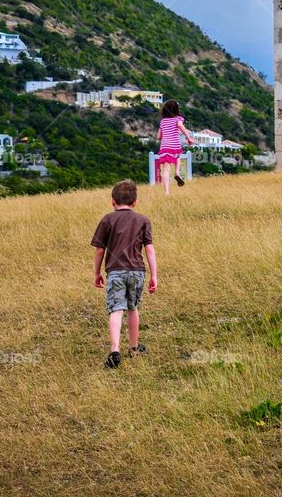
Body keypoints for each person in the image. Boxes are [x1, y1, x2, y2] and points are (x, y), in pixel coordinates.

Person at [91, 180, 158, 369]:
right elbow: (150, 250)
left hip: (115, 272)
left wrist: (97, 273)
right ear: (135, 202)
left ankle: (114, 350)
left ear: (112, 201)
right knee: (132, 308)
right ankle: (134, 347)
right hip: (137, 271)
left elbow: (99, 251)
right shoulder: (143, 220)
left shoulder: (107, 220)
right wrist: (154, 275)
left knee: (116, 309)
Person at [156, 99, 194, 195]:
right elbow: (181, 127)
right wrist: (188, 138)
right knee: (178, 156)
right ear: (176, 109)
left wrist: (164, 137)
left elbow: (158, 137)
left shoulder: (163, 121)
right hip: (175, 145)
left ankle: (166, 192)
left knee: (166, 169)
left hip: (164, 147)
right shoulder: (178, 119)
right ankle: (177, 172)